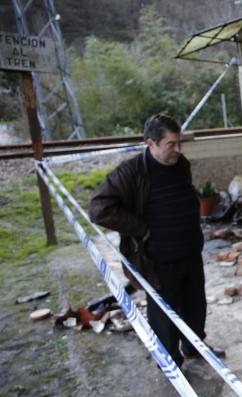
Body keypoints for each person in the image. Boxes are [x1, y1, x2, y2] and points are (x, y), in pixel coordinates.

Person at [89, 113, 223, 368]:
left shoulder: (180, 164)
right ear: (150, 143)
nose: (178, 149)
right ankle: (171, 364)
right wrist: (141, 229)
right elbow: (99, 209)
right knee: (164, 314)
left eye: (179, 143)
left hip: (190, 251)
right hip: (158, 258)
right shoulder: (131, 172)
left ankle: (194, 347)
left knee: (195, 305)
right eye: (171, 144)